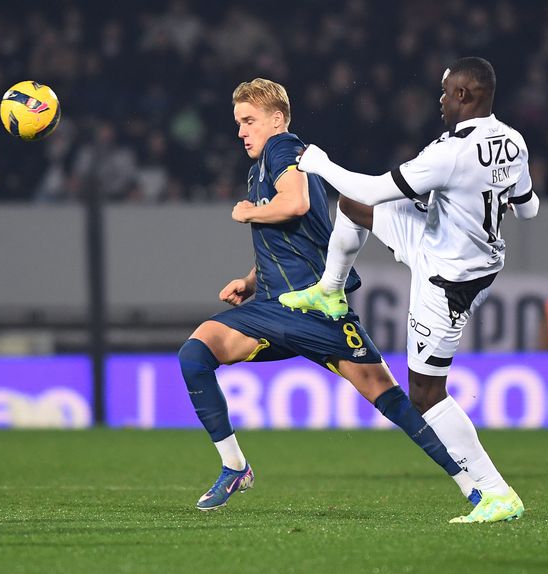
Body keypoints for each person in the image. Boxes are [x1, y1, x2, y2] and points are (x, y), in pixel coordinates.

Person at [179, 78, 482, 513]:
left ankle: (472, 482)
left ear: (277, 119)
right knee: (195, 354)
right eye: (238, 123)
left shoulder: (284, 148)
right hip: (270, 306)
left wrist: (248, 211)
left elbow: (296, 203)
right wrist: (249, 279)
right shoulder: (260, 166)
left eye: (249, 121)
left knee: (391, 397)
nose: (240, 131)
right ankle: (235, 466)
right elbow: (290, 232)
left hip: (316, 308)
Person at [280, 57, 539, 523]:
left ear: (464, 95)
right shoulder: (512, 141)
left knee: (424, 392)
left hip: (448, 279)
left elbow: (379, 186)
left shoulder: (451, 154)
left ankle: (498, 493)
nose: (439, 101)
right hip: (454, 247)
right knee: (351, 205)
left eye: (445, 93)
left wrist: (319, 163)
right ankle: (330, 290)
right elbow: (528, 209)